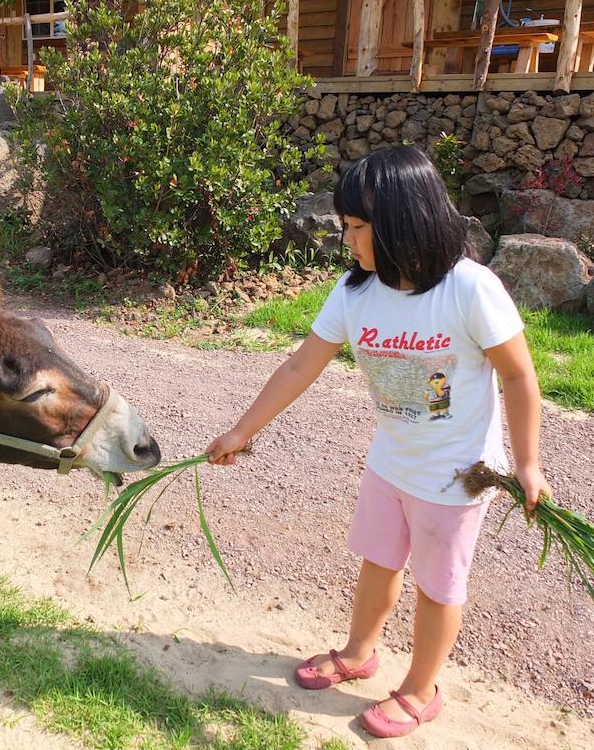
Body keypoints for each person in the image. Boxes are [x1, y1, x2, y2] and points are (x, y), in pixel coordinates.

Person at [205, 145, 550, 739]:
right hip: (391, 463)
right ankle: (359, 652)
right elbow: (298, 367)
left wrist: (527, 462)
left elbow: (519, 376)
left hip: (456, 475)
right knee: (379, 562)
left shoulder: (470, 289)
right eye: (346, 227)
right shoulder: (356, 293)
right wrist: (243, 430)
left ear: (403, 220)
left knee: (438, 586)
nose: (349, 241)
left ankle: (421, 688)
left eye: (358, 227)